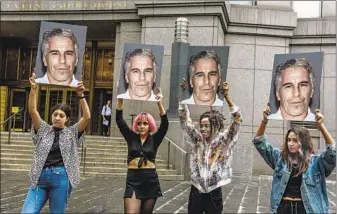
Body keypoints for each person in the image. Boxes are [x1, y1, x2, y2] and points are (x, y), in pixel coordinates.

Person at [21, 73, 90, 213]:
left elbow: (87, 117)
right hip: (40, 178)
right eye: (55, 115)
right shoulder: (43, 129)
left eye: (61, 116)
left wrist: (81, 96)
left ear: (67, 119)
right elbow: (33, 111)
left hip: (61, 178)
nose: (57, 118)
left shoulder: (72, 132)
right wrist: (34, 89)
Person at [253, 104, 336, 213]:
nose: (290, 144)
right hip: (283, 208)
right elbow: (259, 142)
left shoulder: (316, 163)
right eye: (289, 140)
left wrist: (321, 126)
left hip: (307, 209)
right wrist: (264, 120)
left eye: (295, 140)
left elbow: (332, 152)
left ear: (304, 142)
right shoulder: (280, 159)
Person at [179, 82, 242, 214]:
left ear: (215, 125)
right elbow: (185, 120)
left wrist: (227, 97)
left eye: (207, 126)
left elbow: (237, 120)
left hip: (214, 191)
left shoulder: (224, 140)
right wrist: (184, 96)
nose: (203, 129)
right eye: (201, 126)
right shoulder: (197, 140)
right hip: (196, 189)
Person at [116, 88, 169, 214]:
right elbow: (119, 121)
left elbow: (165, 124)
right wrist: (120, 99)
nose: (141, 126)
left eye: (145, 123)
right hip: (133, 180)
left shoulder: (154, 139)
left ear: (149, 125)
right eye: (139, 123)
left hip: (150, 180)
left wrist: (159, 103)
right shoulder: (131, 137)